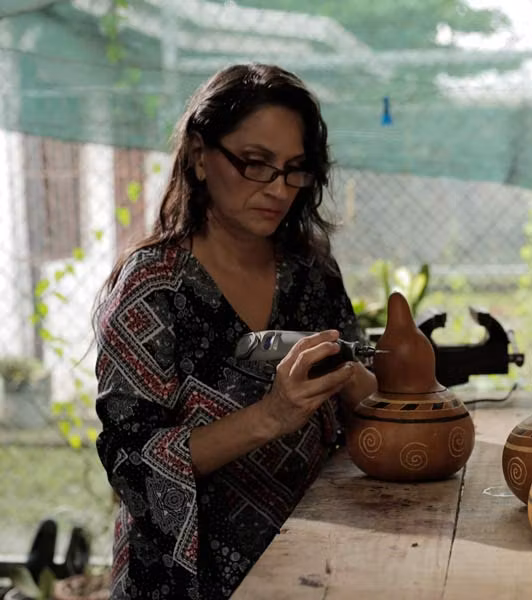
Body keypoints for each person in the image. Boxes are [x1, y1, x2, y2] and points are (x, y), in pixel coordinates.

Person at [93, 63, 377, 600]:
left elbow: (359, 394)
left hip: (314, 564)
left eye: (295, 169)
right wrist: (271, 417)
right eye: (255, 164)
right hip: (185, 579)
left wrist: (367, 385)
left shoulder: (309, 273)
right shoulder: (154, 290)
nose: (279, 189)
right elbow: (131, 462)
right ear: (200, 156)